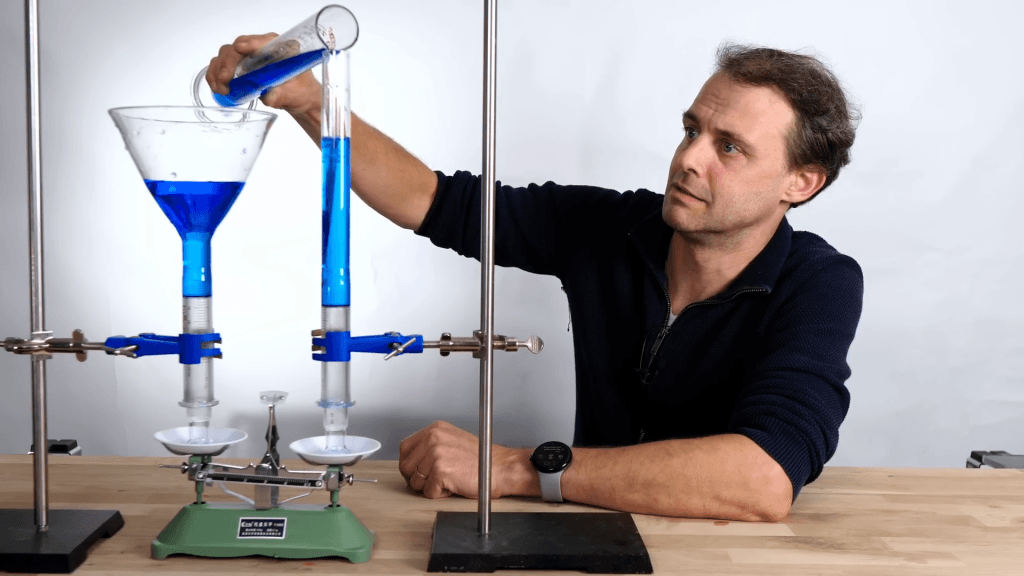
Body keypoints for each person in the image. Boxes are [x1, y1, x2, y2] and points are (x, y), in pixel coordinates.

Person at [207, 37, 863, 522]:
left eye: (729, 147)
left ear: (801, 183)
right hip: (587, 534)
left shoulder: (819, 284)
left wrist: (514, 467)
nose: (688, 159)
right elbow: (434, 201)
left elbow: (762, 480)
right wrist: (305, 99)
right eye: (692, 129)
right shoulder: (612, 227)